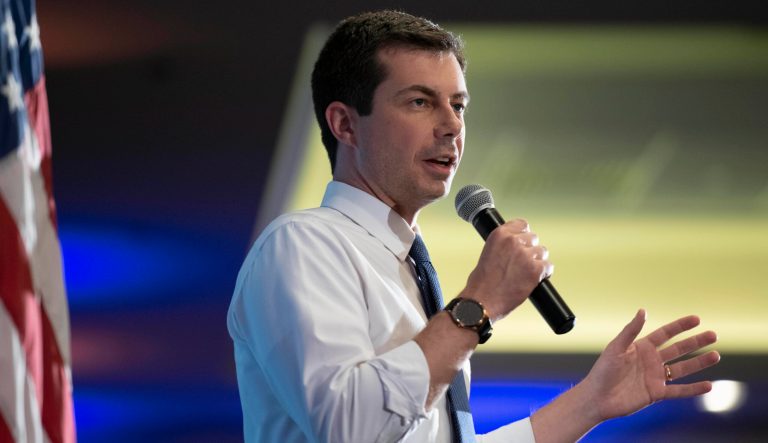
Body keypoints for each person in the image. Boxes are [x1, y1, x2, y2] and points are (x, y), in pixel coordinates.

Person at [227, 10, 720, 443]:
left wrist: (590, 402)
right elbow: (349, 429)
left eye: (457, 105)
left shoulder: (407, 270)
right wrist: (479, 304)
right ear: (345, 124)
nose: (451, 126)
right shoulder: (302, 245)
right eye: (420, 102)